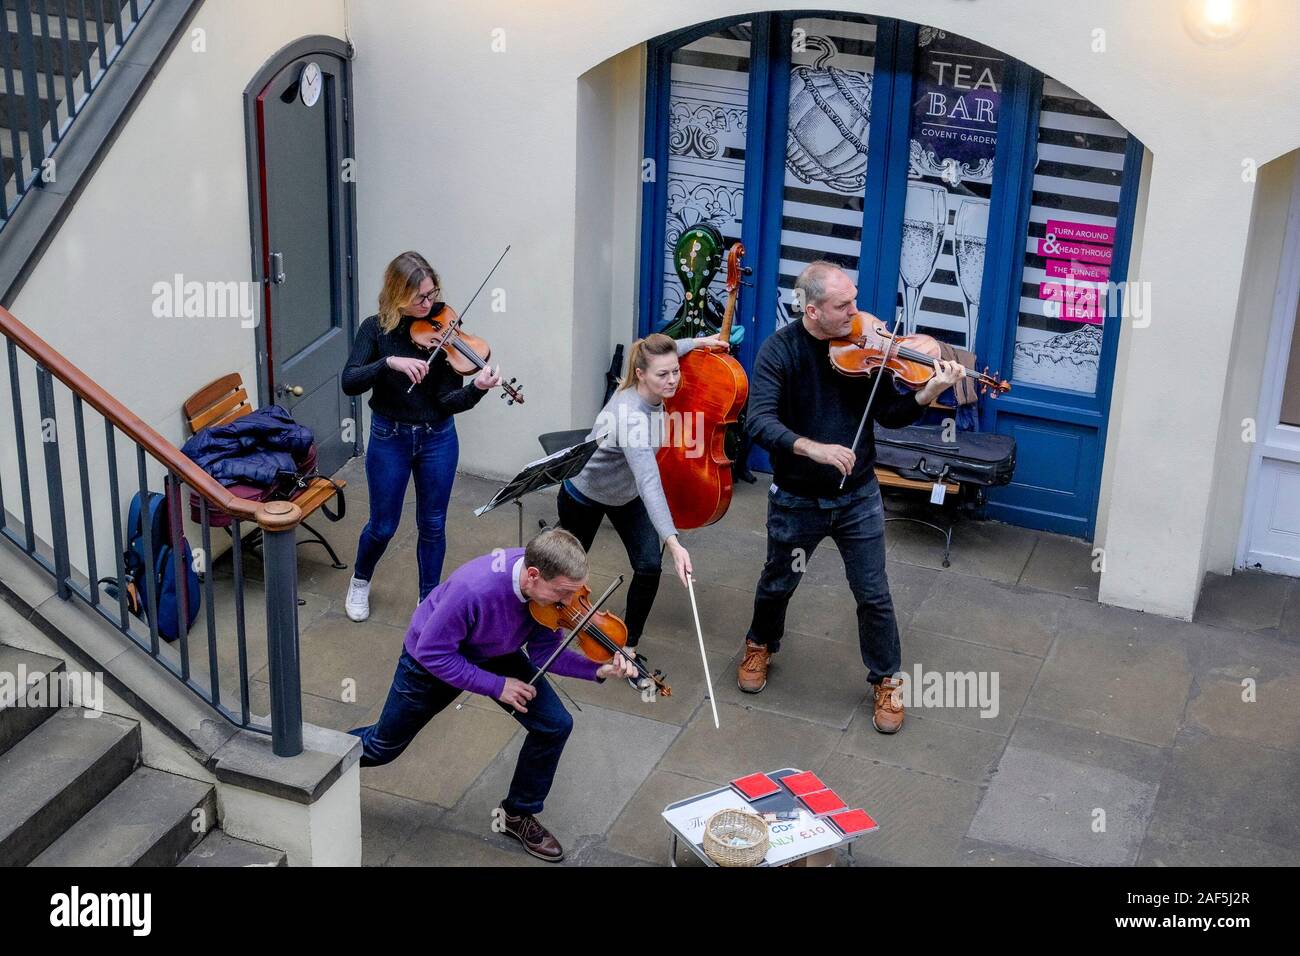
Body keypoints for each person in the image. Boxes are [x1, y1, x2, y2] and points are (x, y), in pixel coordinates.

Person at [738, 261, 965, 734]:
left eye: (855, 300)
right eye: (844, 306)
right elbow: (757, 421)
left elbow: (891, 414)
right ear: (814, 310)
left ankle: (885, 678)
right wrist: (812, 447)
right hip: (797, 497)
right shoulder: (780, 352)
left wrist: (930, 394)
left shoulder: (866, 348)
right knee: (778, 582)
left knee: (873, 593)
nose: (855, 313)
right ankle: (761, 643)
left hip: (858, 496)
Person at [348, 528, 636, 861]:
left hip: (495, 650)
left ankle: (516, 815)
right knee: (383, 746)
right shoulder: (473, 590)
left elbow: (544, 654)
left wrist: (597, 670)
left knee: (555, 725)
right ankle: (323, 763)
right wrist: (497, 685)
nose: (570, 605)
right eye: (563, 594)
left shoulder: (545, 599)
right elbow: (432, 652)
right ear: (533, 575)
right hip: (430, 664)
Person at [557, 331, 728, 689]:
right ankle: (540, 627)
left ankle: (628, 648)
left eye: (675, 372)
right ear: (640, 375)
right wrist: (675, 541)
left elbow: (674, 350)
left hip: (625, 494)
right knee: (566, 569)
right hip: (585, 493)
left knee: (649, 566)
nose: (672, 380)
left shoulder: (656, 368)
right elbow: (650, 483)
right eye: (662, 375)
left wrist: (705, 340)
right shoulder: (631, 417)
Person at [340, 251, 501, 620]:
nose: (431, 304)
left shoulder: (445, 328)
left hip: (437, 438)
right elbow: (350, 382)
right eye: (420, 299)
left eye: (433, 293)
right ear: (398, 295)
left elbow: (447, 400)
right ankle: (360, 580)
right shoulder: (375, 330)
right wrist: (387, 363)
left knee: (432, 524)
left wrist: (477, 387)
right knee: (382, 525)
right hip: (389, 436)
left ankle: (428, 600)